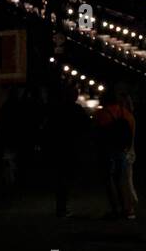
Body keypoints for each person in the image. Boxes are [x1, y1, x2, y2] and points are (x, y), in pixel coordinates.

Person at [46, 78, 89, 217]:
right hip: (71, 147)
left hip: (59, 147)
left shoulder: (57, 109)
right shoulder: (77, 110)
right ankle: (62, 207)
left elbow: (50, 127)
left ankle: (61, 206)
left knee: (60, 177)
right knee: (65, 178)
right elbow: (86, 128)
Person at [95, 85, 137, 219]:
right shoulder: (127, 114)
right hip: (123, 150)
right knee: (122, 180)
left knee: (109, 179)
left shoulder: (102, 114)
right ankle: (126, 208)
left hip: (107, 150)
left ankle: (115, 209)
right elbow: (132, 134)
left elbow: (97, 134)